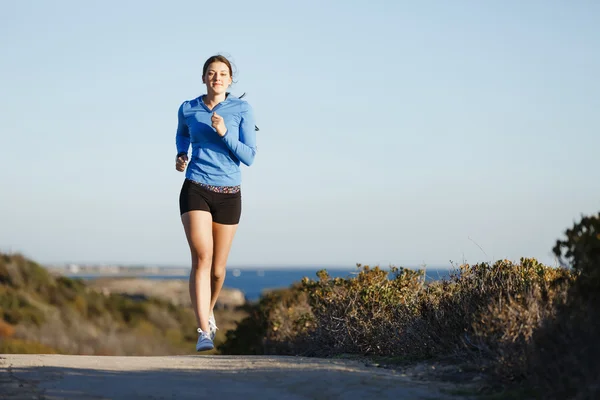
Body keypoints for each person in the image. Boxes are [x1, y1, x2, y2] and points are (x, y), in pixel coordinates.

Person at [175, 54, 257, 352]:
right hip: (195, 187)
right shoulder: (188, 108)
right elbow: (182, 136)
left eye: (223, 73)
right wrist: (182, 155)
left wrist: (223, 133)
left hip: (229, 193)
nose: (217, 77)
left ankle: (207, 311)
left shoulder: (241, 110)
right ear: (203, 78)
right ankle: (203, 332)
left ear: (230, 79)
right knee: (201, 257)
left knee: (218, 270)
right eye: (211, 73)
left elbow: (248, 156)